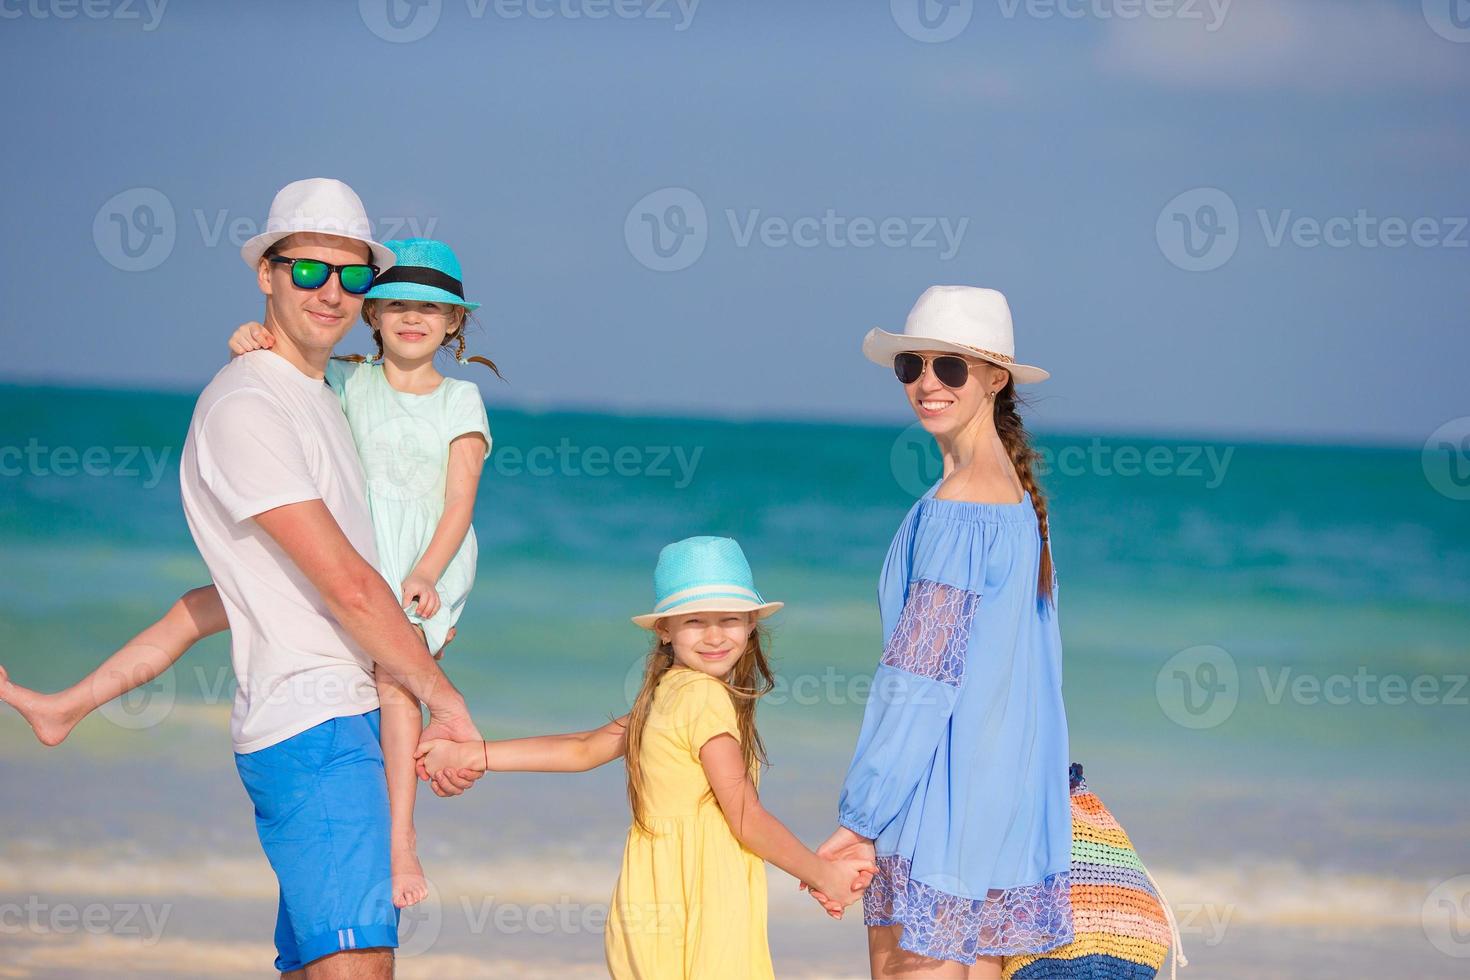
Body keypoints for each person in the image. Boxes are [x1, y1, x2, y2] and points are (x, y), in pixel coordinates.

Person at [3, 178, 484, 980]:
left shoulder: (322, 397)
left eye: (351, 275)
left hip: (341, 722)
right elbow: (351, 588)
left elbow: (221, 600)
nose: (330, 292)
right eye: (307, 271)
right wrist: (448, 700)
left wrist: (73, 701)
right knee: (360, 970)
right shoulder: (248, 406)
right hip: (316, 728)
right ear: (266, 272)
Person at [416, 536, 878, 979]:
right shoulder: (704, 698)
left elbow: (581, 750)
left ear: (751, 623)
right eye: (695, 621)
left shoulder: (663, 693)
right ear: (665, 631)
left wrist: (473, 752)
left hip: (646, 899)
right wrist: (824, 876)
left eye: (729, 619)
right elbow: (744, 817)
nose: (715, 635)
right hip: (700, 903)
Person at [808, 287, 1073, 979]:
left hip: (937, 807)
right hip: (1003, 808)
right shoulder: (1016, 499)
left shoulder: (959, 509)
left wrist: (863, 817)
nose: (927, 382)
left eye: (951, 367)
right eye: (912, 366)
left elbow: (919, 681)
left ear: (995, 378)